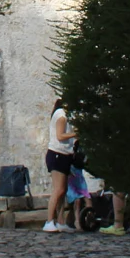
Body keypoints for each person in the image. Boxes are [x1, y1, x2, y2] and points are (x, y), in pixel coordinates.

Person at [44, 98, 77, 232]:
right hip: (57, 154)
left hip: (64, 155)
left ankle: (60, 221)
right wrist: (76, 133)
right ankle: (49, 221)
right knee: (58, 189)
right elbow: (60, 136)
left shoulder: (64, 116)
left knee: (63, 191)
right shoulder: (61, 116)